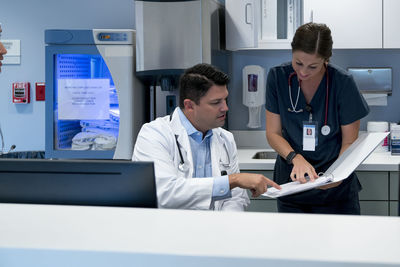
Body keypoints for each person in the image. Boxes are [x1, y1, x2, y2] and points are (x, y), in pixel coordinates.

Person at [133, 63, 280, 210]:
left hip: (216, 228)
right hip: (171, 228)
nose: (225, 108)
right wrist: (233, 180)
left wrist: (223, 226)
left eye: (225, 100)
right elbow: (164, 193)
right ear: (189, 105)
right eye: (216, 102)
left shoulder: (225, 139)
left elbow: (236, 197)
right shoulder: (154, 135)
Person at [265, 22, 369, 214]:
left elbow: (349, 142)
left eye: (313, 66)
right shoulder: (277, 77)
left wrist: (335, 176)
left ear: (326, 60)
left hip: (336, 193)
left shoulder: (343, 83)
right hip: (292, 187)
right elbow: (273, 133)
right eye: (298, 63)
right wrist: (295, 158)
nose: (303, 72)